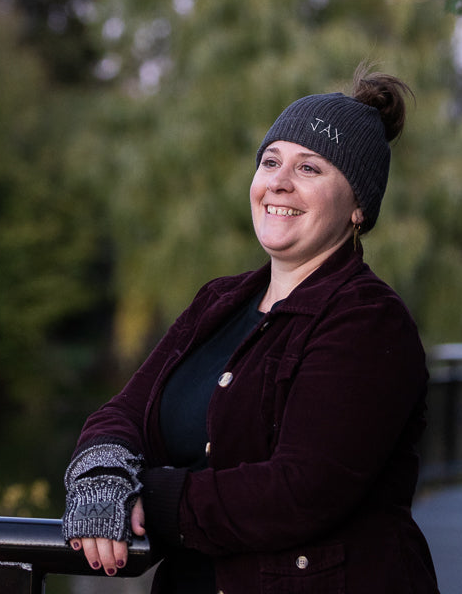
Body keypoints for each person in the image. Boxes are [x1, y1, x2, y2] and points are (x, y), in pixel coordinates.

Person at [60, 69, 440, 593]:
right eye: (270, 161)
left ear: (357, 207)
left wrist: (150, 495)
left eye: (309, 168)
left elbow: (299, 492)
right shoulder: (219, 301)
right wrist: (102, 478)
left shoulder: (369, 321)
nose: (279, 182)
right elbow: (122, 413)